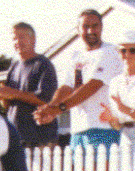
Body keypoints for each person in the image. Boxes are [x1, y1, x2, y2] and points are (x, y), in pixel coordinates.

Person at [34, 9, 122, 150]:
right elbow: (66, 87)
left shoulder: (110, 52)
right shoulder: (75, 56)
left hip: (103, 128)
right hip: (78, 131)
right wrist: (50, 108)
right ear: (78, 29)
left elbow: (92, 86)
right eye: (85, 26)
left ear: (101, 27)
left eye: (95, 26)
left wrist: (59, 109)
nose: (90, 31)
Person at [0, 22, 59, 148]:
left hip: (39, 140)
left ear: (33, 40)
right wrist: (1, 96)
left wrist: (12, 93)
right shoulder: (14, 66)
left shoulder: (43, 64)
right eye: (14, 38)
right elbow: (9, 105)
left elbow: (46, 101)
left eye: (22, 37)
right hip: (16, 139)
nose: (18, 41)